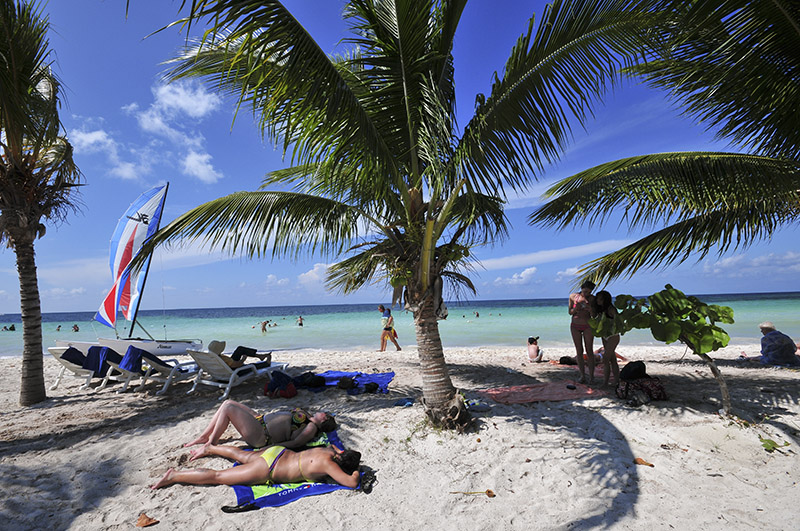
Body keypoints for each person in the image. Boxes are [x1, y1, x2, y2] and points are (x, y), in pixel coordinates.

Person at [151, 444, 361, 490]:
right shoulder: (329, 465)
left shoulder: (328, 451)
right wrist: (357, 471)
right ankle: (175, 476)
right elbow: (351, 482)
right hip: (269, 468)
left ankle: (211, 448)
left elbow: (336, 447)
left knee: (239, 454)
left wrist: (341, 453)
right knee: (218, 476)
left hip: (277, 452)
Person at [184, 401, 337, 451]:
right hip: (259, 420)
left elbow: (295, 443)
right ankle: (204, 436)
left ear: (324, 420)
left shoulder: (311, 428)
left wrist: (269, 448)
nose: (324, 412)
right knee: (227, 402)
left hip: (261, 435)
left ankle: (212, 443)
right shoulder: (309, 417)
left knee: (228, 409)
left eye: (326, 414)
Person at [568, 280, 596, 383]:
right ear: (581, 289)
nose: (586, 294)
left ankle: (592, 376)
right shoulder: (573, 297)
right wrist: (575, 309)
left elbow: (594, 315)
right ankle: (582, 375)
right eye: (585, 291)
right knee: (579, 351)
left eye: (588, 292)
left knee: (589, 351)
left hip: (588, 326)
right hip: (575, 325)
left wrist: (590, 309)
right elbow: (570, 312)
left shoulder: (593, 299)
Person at [592, 290, 621, 387]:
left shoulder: (611, 309)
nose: (598, 301)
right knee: (612, 360)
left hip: (613, 335)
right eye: (597, 299)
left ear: (605, 299)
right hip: (604, 336)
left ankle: (605, 383)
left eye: (600, 299)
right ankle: (616, 381)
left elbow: (619, 321)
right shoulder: (600, 309)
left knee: (605, 359)